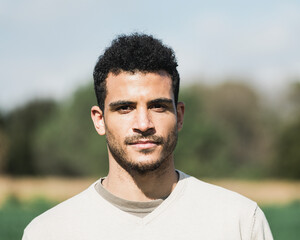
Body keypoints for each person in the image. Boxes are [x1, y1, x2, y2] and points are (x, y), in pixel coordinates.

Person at [22, 33, 273, 240]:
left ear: (180, 115)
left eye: (158, 106)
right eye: (125, 108)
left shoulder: (239, 222)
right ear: (99, 120)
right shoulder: (48, 232)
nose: (143, 124)